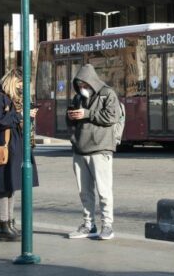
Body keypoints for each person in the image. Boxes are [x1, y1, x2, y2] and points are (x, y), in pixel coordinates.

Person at [66, 64, 122, 241]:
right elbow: (72, 121)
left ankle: (107, 225)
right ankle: (88, 224)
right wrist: (70, 116)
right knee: (85, 192)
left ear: (92, 82)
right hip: (80, 149)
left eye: (84, 85)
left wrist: (87, 114)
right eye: (79, 86)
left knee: (104, 191)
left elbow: (111, 117)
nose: (82, 89)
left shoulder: (107, 94)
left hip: (100, 148)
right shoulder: (77, 98)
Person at [0, 68, 39, 242]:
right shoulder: (0, 98)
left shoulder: (15, 98)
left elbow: (19, 121)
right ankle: (4, 227)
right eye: (19, 83)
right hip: (7, 145)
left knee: (13, 185)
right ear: (12, 81)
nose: (22, 87)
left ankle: (10, 224)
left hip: (17, 144)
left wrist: (29, 116)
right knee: (4, 186)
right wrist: (21, 115)